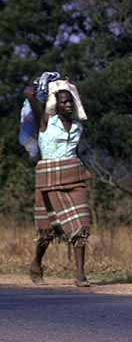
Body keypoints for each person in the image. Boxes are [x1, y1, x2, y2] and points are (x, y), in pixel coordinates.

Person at [23, 78, 91, 287]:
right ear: (56, 105)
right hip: (49, 179)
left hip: (73, 176)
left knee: (83, 224)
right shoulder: (45, 121)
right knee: (47, 231)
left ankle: (80, 274)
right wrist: (32, 93)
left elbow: (74, 151)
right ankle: (37, 263)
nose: (68, 105)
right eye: (63, 102)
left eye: (70, 101)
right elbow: (32, 99)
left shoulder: (78, 126)